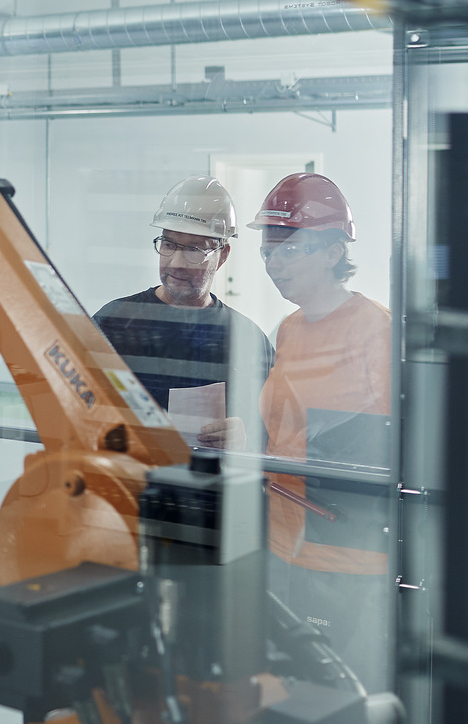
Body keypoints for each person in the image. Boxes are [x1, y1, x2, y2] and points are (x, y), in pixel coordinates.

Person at [249, 172, 393, 691]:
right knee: (289, 694)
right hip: (284, 544)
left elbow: (387, 446)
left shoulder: (376, 330)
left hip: (344, 556)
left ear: (334, 253)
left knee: (342, 696)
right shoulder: (289, 329)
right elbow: (286, 428)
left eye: (289, 250)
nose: (274, 264)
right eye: (268, 252)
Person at [92, 176, 274, 450]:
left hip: (210, 478)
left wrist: (244, 438)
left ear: (223, 255)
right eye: (168, 245)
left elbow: (274, 431)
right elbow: (72, 405)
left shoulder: (247, 338)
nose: (176, 263)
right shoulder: (115, 322)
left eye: (193, 250)